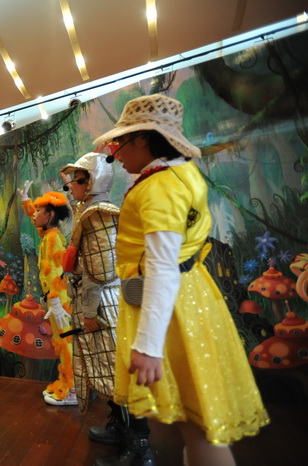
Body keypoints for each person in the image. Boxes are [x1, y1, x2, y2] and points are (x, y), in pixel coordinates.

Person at [91, 94, 269, 466]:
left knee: (196, 424)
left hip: (176, 311)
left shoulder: (160, 186)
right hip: (187, 298)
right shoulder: (179, 174)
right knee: (195, 423)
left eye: (120, 143)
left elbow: (163, 266)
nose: (115, 153)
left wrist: (148, 345)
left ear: (143, 139)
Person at [17, 186, 78, 406]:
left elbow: (54, 271)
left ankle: (72, 390)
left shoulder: (52, 239)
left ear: (50, 215)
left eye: (38, 210)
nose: (34, 214)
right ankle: (68, 384)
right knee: (61, 341)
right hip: (55, 299)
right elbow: (34, 217)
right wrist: (26, 200)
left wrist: (55, 301)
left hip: (59, 299)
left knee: (65, 342)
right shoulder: (48, 234)